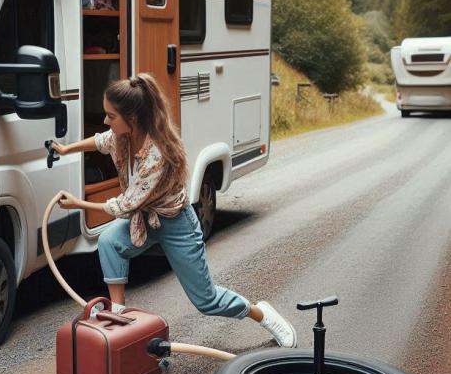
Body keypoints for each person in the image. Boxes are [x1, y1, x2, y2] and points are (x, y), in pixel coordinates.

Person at [52, 74, 297, 348]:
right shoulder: (124, 136)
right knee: (110, 242)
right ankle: (118, 314)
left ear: (132, 119)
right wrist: (66, 149)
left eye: (111, 116)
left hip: (176, 224)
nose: (106, 121)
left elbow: (126, 205)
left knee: (207, 301)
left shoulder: (157, 154)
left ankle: (263, 314)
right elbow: (101, 141)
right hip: (146, 219)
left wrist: (78, 204)